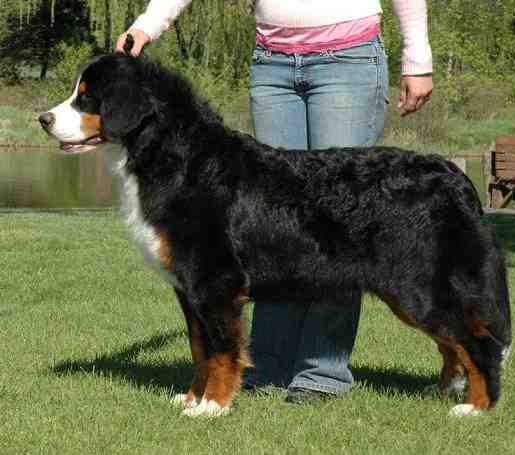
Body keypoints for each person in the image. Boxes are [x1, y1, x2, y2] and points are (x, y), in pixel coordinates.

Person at [116, 0, 433, 404]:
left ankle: (322, 372)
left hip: (347, 59)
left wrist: (417, 56)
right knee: (268, 232)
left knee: (336, 228)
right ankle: (265, 365)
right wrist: (146, 26)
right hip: (273, 64)